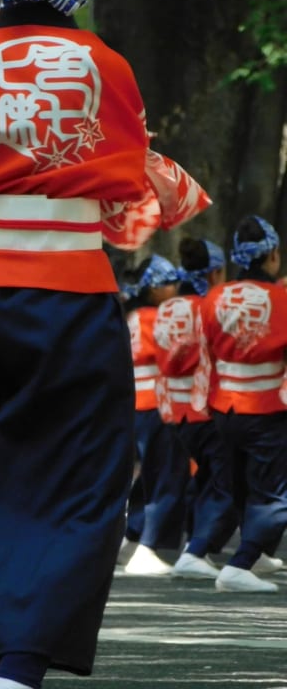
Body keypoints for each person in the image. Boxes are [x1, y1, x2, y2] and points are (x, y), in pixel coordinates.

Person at [0, 0, 208, 689]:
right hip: (66, 289)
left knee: (12, 451)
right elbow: (125, 199)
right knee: (90, 473)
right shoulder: (104, 64)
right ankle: (20, 659)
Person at [199, 215, 287, 592]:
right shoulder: (282, 299)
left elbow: (206, 349)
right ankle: (240, 562)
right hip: (265, 406)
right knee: (275, 493)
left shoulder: (214, 298)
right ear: (271, 256)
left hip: (222, 407)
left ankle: (257, 552)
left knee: (237, 486)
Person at [152, 237, 238, 580]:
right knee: (231, 480)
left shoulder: (168, 308)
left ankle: (196, 545)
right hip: (209, 409)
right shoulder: (213, 306)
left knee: (204, 478)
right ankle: (198, 548)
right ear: (216, 273)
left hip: (175, 411)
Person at [119, 254, 192, 576]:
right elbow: (177, 357)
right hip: (157, 403)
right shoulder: (159, 317)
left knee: (146, 476)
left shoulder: (131, 315)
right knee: (166, 477)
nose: (175, 288)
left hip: (130, 403)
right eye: (170, 283)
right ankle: (147, 547)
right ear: (157, 289)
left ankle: (132, 535)